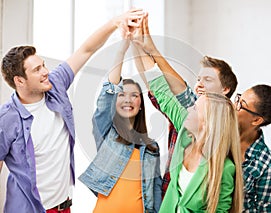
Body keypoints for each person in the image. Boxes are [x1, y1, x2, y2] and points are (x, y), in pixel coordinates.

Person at [0, 8, 145, 213]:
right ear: (19, 81)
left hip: (64, 207)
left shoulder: (55, 85)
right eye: (37, 70)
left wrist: (115, 22)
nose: (45, 72)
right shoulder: (6, 119)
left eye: (43, 65)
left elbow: (85, 50)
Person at [133, 13, 238, 198]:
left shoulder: (224, 131)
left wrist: (147, 48)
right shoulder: (191, 110)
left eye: (207, 79)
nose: (199, 84)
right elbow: (159, 87)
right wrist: (138, 45)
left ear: (225, 89)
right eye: (198, 79)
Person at [78, 22, 162, 213]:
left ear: (141, 104)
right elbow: (107, 93)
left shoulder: (151, 148)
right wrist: (122, 50)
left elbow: (155, 193)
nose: (128, 99)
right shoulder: (107, 132)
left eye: (134, 95)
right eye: (122, 94)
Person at [234, 84, 271, 212]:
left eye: (241, 104)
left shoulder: (267, 164)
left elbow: (265, 210)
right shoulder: (218, 132)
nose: (234, 106)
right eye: (238, 99)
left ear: (256, 120)